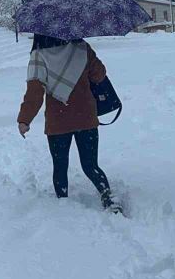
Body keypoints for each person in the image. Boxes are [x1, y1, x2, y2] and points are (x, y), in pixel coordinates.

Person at [17, 34, 123, 214]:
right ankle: (108, 197)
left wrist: (24, 119)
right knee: (90, 165)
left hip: (58, 122)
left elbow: (34, 92)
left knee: (60, 166)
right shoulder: (81, 48)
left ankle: (63, 205)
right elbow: (99, 74)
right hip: (85, 117)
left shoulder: (39, 55)